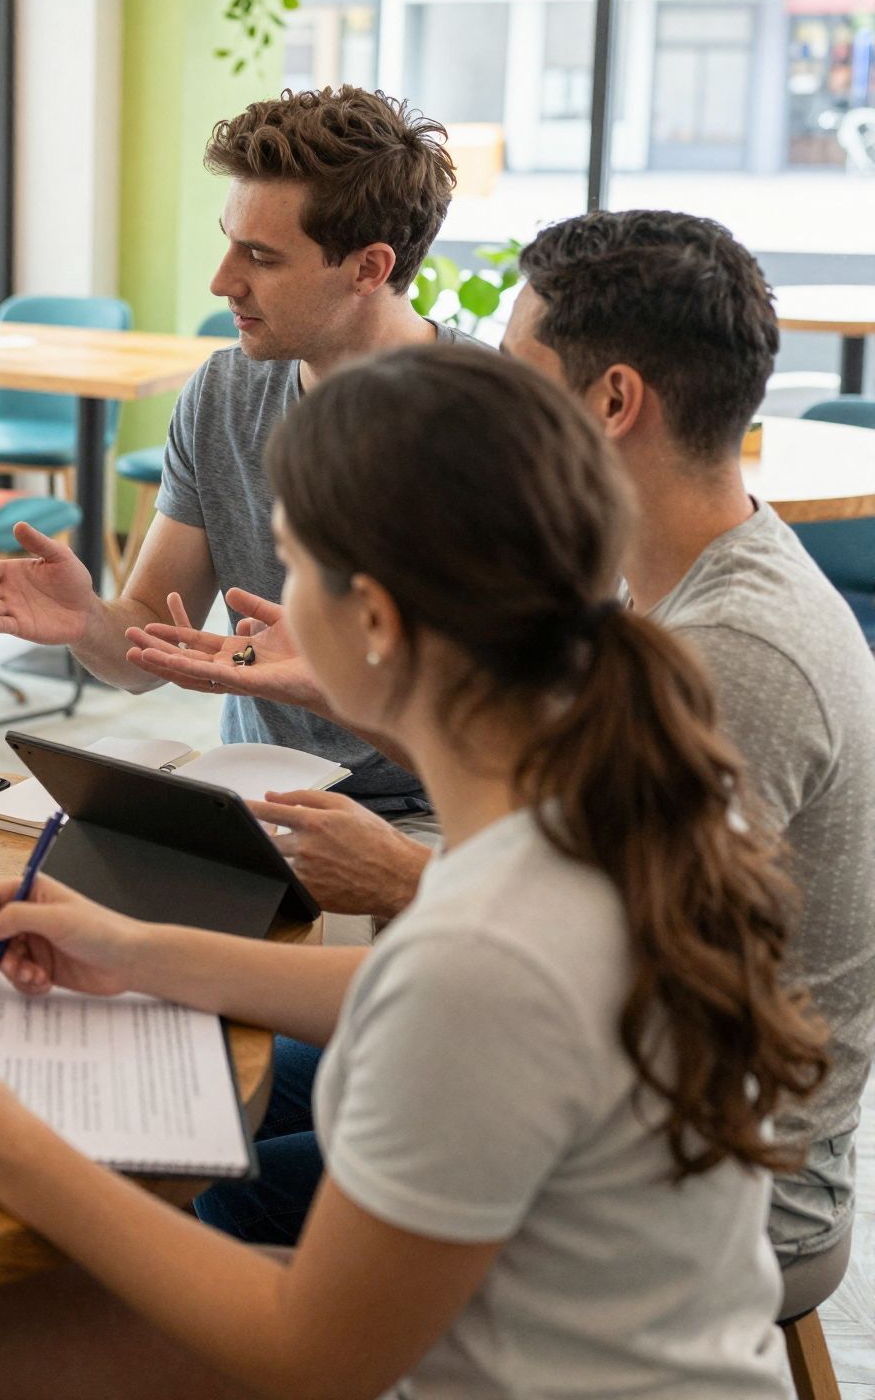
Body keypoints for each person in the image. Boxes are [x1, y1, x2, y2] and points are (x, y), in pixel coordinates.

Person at [0, 344, 826, 1399]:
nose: (268, 601)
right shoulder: (603, 790)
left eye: (292, 565)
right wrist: (130, 950)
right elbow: (416, 993)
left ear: (374, 623)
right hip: (598, 1344)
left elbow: (312, 1355)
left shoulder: (493, 943)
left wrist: (7, 1152)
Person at [176, 210, 875, 1271]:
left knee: (197, 1184)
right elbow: (560, 821)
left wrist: (410, 878)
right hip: (578, 1081)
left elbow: (599, 973)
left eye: (513, 370)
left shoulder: (732, 652)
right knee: (194, 1087)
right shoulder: (673, 584)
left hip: (705, 1174)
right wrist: (364, 696)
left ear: (609, 401)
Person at [0, 86, 475, 902]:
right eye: (230, 243)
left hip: (438, 821)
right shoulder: (227, 391)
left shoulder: (495, 431)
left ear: (370, 268)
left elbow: (519, 747)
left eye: (262, 258)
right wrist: (88, 620)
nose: (221, 280)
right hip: (257, 796)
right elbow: (146, 656)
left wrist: (333, 686)